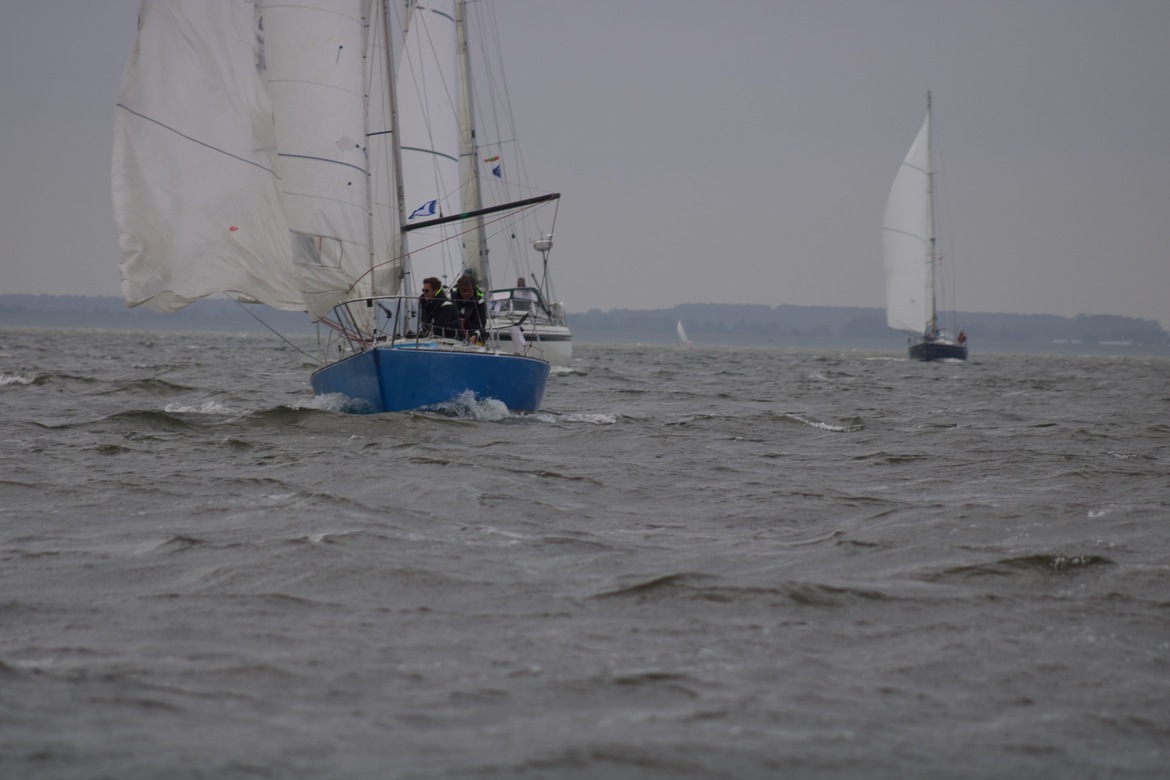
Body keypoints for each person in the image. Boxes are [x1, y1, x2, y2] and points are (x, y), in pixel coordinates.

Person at [452, 274, 487, 343]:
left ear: (473, 289)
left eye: (469, 291)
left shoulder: (479, 302)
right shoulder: (451, 297)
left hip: (472, 335)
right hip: (453, 335)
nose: (466, 293)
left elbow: (481, 324)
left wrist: (475, 335)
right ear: (459, 288)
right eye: (463, 290)